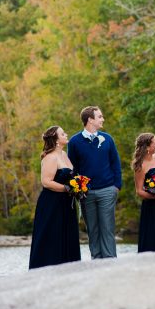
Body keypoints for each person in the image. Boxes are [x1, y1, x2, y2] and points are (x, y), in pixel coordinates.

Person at [67, 106, 122, 259]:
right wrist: (79, 190)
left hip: (107, 190)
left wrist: (116, 186)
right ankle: (96, 262)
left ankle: (110, 261)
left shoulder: (107, 139)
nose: (102, 119)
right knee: (93, 229)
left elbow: (115, 164)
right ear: (90, 120)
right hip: (86, 193)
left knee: (108, 228)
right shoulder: (74, 142)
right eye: (100, 116)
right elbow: (73, 168)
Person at [29, 126, 81, 269]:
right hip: (52, 203)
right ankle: (45, 270)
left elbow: (71, 177)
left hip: (66, 203)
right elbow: (46, 182)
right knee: (52, 236)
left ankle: (68, 269)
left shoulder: (64, 155)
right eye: (63, 133)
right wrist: (67, 188)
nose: (66, 134)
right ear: (57, 140)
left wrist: (79, 186)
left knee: (67, 236)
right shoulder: (50, 157)